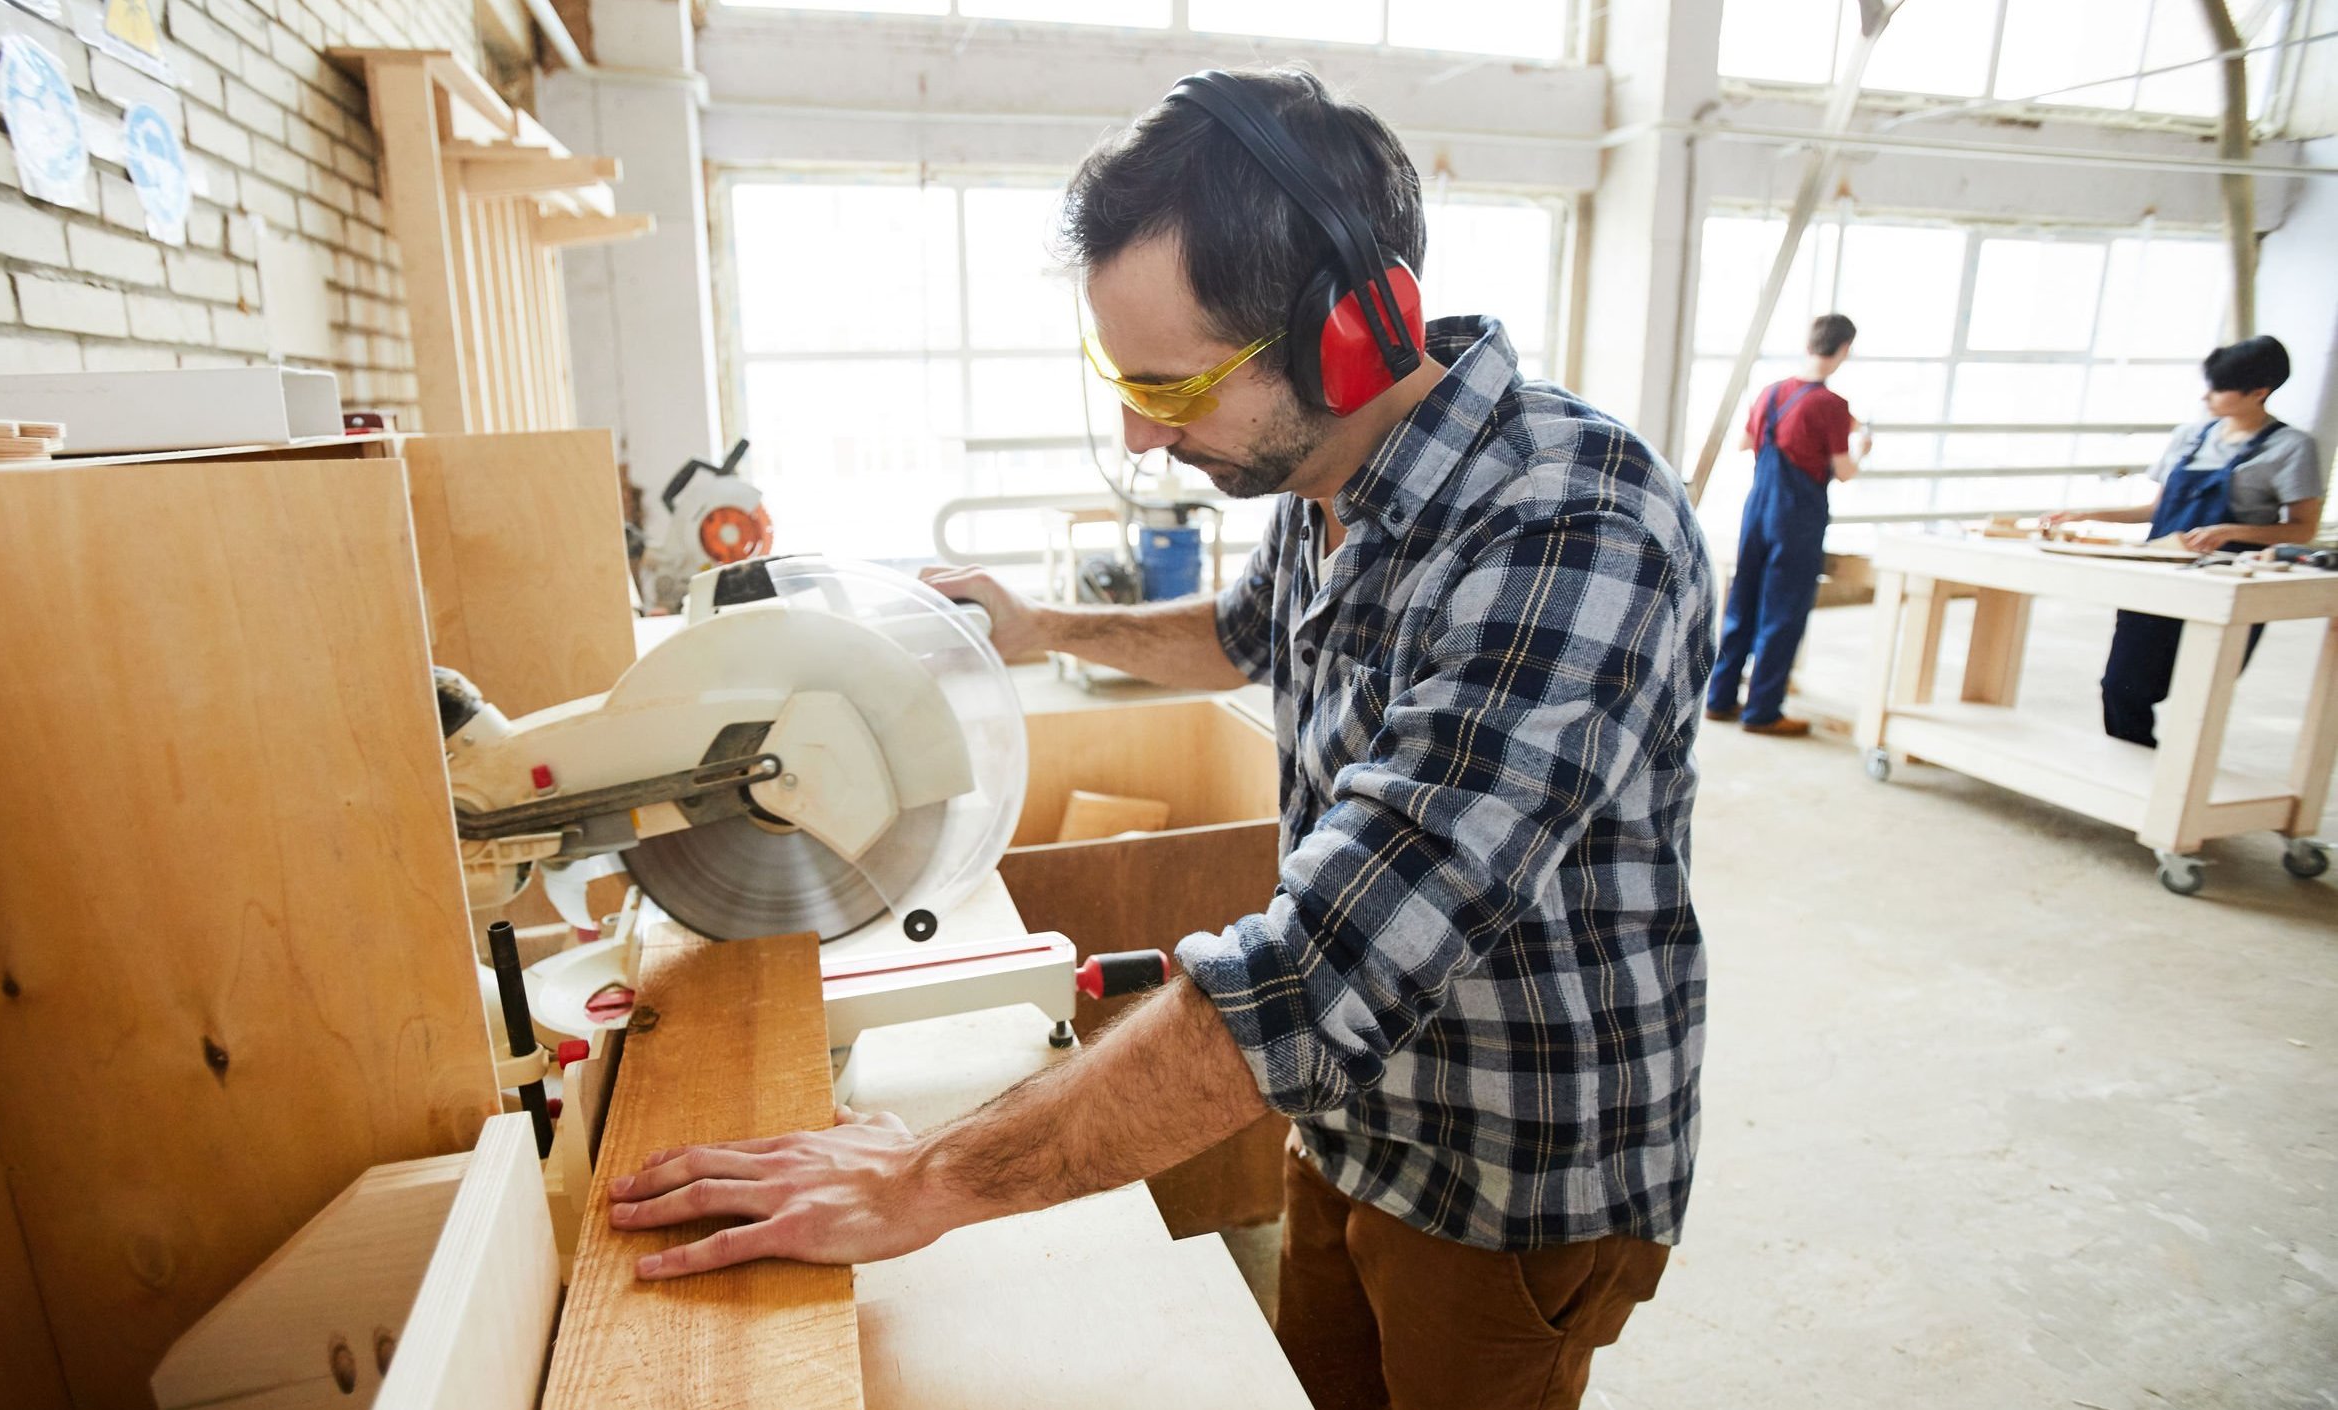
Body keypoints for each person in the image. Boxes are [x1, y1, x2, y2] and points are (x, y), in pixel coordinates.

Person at [600, 68, 1713, 1410]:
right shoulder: (1328, 471)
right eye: (1121, 380)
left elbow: (1314, 980)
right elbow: (1246, 634)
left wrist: (923, 1178)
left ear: (1354, 334)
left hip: (1511, 1169)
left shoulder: (1570, 529)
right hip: (1350, 1120)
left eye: (1175, 388)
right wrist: (1038, 624)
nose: (1139, 432)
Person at [2042, 335, 2326, 746]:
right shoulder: (2190, 437)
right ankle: (2132, 771)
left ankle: (2179, 792)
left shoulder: (2291, 448)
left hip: (2225, 581)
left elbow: (2301, 529)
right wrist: (2088, 513)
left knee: (2203, 689)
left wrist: (2232, 531)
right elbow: (2157, 511)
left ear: (2259, 392)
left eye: (2219, 388)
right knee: (2122, 685)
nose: (2207, 397)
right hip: (2159, 575)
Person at [1701, 314, 1872, 736]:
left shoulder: (1771, 392)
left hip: (1757, 508)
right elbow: (1844, 471)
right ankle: (1762, 711)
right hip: (1796, 515)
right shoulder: (1832, 405)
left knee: (1741, 603)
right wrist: (1861, 448)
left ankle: (1719, 699)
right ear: (1845, 349)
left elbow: (1745, 443)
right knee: (1782, 611)